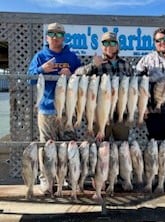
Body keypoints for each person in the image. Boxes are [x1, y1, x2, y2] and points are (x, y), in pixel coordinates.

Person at [28, 22, 81, 193]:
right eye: (52, 34)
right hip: (46, 109)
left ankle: (65, 178)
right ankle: (46, 180)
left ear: (63, 37)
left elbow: (82, 81)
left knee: (68, 146)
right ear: (47, 37)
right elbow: (29, 78)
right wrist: (42, 69)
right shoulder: (40, 56)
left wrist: (72, 75)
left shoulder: (72, 57)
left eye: (59, 34)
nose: (55, 37)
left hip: (68, 109)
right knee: (46, 146)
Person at [75, 31, 133, 142]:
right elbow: (77, 75)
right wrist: (93, 66)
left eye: (112, 43)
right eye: (105, 43)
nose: (109, 46)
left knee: (122, 146)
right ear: (102, 46)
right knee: (100, 147)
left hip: (120, 113)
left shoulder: (126, 64)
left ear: (117, 45)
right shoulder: (97, 63)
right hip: (100, 113)